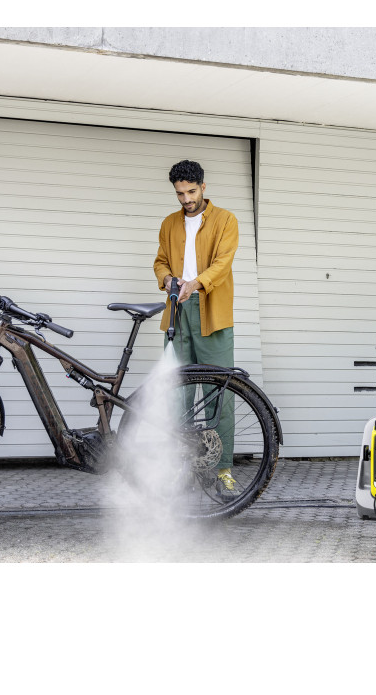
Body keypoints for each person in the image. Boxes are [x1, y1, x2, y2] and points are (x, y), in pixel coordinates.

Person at [153, 159, 239, 500]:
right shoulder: (169, 223)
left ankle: (223, 471)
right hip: (177, 313)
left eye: (191, 191)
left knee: (220, 394)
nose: (186, 199)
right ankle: (182, 469)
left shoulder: (226, 220)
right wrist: (166, 279)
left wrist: (196, 283)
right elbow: (160, 261)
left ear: (203, 186)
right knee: (178, 394)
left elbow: (223, 263)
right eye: (180, 194)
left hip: (212, 314)